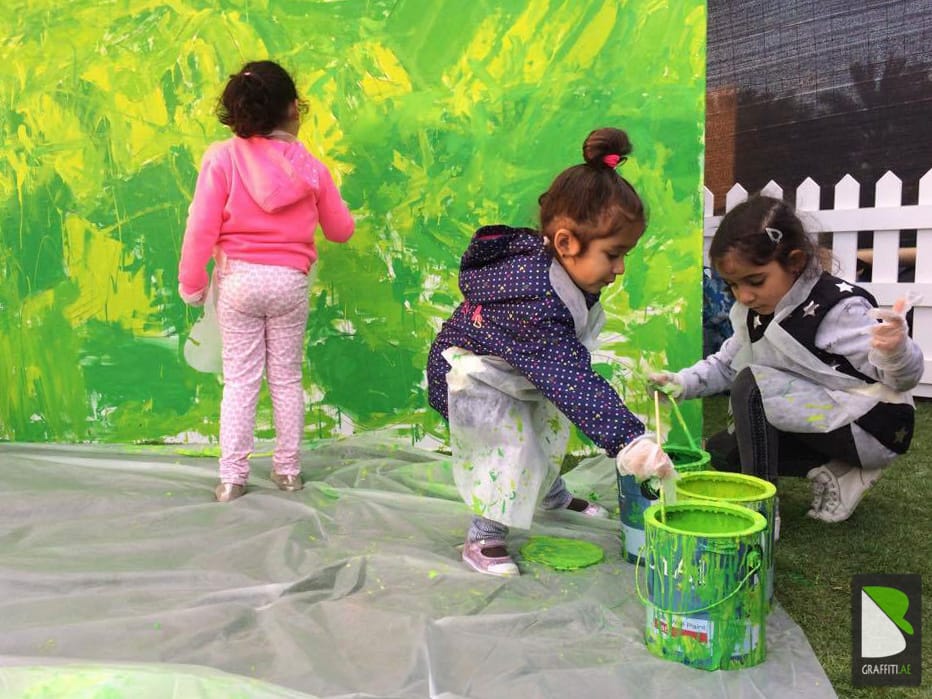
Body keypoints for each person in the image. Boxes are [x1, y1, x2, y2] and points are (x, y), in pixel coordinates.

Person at [427, 127, 674, 577]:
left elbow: (562, 372)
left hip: (514, 369)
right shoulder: (534, 301)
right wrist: (629, 440)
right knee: (511, 445)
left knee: (547, 423)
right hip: (472, 377)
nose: (620, 268)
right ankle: (484, 533)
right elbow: (571, 379)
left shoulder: (562, 272)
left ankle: (550, 493)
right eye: (613, 254)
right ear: (565, 243)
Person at [650, 195, 921, 524]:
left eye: (755, 281)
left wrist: (896, 352)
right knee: (723, 452)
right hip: (829, 418)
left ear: (795, 262)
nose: (744, 295)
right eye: (733, 285)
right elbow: (725, 364)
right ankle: (838, 471)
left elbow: (901, 380)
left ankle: (761, 510)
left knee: (752, 384)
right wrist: (681, 383)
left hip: (875, 426)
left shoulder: (838, 308)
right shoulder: (754, 312)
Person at [178, 60, 355, 502]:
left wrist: (192, 284)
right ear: (294, 109)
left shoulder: (221, 158)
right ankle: (288, 471)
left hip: (238, 281)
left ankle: (231, 479)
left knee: (240, 381)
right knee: (286, 379)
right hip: (288, 284)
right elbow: (340, 231)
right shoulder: (311, 168)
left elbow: (200, 228)